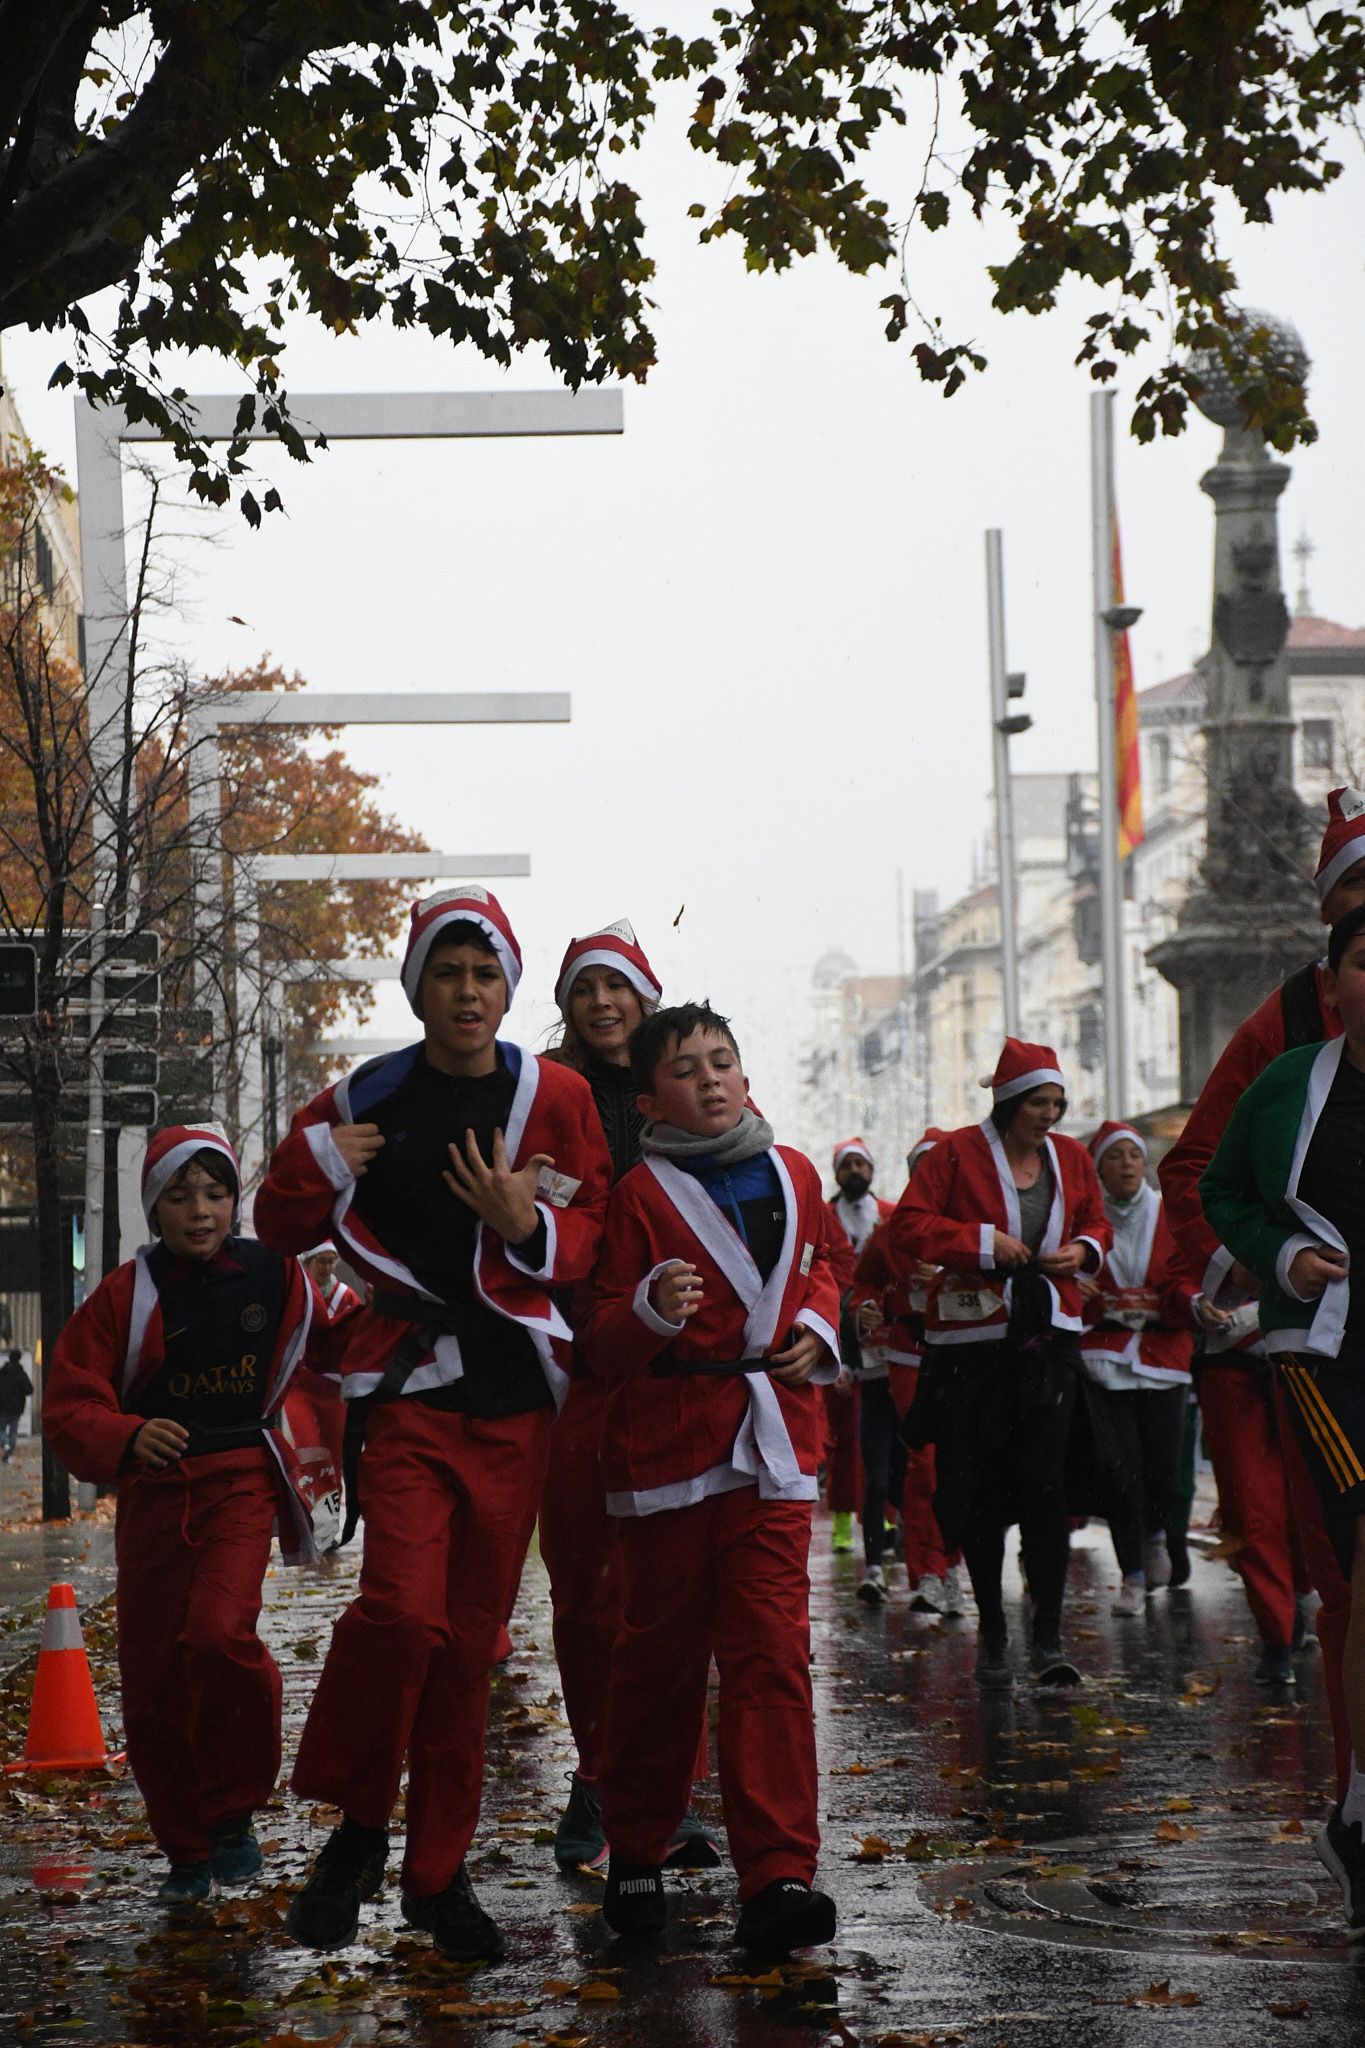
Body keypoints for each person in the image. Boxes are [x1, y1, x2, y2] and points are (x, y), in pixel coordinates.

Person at [253, 886, 612, 1963]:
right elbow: (276, 1221)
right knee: (402, 1617)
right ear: (417, 985)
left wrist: (529, 1223)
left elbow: (593, 1226)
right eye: (447, 972)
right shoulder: (362, 1093)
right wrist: (321, 1167)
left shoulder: (555, 1095)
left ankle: (435, 1874)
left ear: (508, 987)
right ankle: (360, 1829)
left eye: (486, 973)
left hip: (514, 1401)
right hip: (407, 1388)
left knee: (468, 1650)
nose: (468, 991)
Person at [587, 1001, 841, 1957]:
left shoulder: (797, 1173)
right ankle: (637, 1844)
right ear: (653, 1096)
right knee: (656, 1665)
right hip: (666, 1455)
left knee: (771, 1654)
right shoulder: (638, 1196)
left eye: (722, 1060)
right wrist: (651, 1308)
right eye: (687, 1068)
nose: (710, 1078)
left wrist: (815, 1332)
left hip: (773, 1449)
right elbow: (602, 1338)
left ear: (745, 1070)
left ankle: (779, 1872)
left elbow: (828, 1272)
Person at [43, 1124, 322, 1902]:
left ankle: (234, 1811)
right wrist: (129, 1434)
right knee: (155, 1676)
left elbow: (340, 1349)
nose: (201, 1210)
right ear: (152, 1206)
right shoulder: (124, 1297)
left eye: (217, 1192)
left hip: (239, 1482)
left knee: (218, 1633)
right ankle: (186, 1852)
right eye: (180, 1195)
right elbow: (72, 1402)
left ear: (237, 1198)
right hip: (154, 1500)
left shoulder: (277, 1277)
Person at [1161, 788, 1365, 1782]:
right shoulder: (1279, 1032)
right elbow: (1198, 1171)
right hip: (1324, 1352)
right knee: (1353, 1576)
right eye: (1359, 889)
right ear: (1330, 913)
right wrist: (1261, 1274)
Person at [538, 919, 721, 1875]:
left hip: (677, 1372)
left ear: (645, 998)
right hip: (571, 1370)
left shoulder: (690, 1085)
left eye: (617, 986)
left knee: (668, 1593)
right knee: (584, 1594)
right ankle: (601, 1777)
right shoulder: (538, 1094)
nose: (602, 1003)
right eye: (583, 989)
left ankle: (669, 1790)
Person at [1201, 898, 1365, 1936]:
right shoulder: (1287, 1086)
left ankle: (1351, 1807)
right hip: (1330, 1347)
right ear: (1336, 978)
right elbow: (1222, 1189)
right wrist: (1283, 1256)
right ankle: (1364, 1799)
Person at [884, 1039, 1111, 1690]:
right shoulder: (954, 1154)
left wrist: (1084, 1249)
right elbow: (909, 1227)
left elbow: (1097, 1222)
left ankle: (1046, 1633)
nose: (1049, 1115)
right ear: (1009, 1100)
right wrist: (981, 1243)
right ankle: (990, 1625)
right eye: (1038, 1102)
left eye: (1056, 1103)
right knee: (978, 1491)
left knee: (1046, 1486)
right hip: (971, 1349)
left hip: (1047, 1338)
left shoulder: (1068, 1157)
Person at [1079, 1122, 1205, 1618]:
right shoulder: (1085, 1224)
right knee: (1118, 1469)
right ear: (1099, 1169)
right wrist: (1078, 1286)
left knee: (1162, 1469)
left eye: (1135, 1155)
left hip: (1163, 1359)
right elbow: (1068, 1277)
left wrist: (1195, 1303)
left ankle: (1155, 1532)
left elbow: (1188, 1276)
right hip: (1106, 1358)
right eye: (1116, 1157)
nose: (1128, 1164)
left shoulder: (1170, 1215)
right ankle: (1130, 1572)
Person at [850, 1131, 967, 1616]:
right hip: (908, 1353)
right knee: (924, 1461)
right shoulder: (890, 1228)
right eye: (919, 1169)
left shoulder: (971, 1224)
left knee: (959, 1465)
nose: (928, 1178)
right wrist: (863, 1310)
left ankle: (955, 1564)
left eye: (936, 1168)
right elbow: (863, 1282)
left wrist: (950, 1275)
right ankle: (928, 1574)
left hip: (964, 1353)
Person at [825, 1139, 901, 1603]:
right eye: (847, 1164)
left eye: (861, 1163)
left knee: (892, 1448)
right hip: (835, 1338)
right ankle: (840, 1523)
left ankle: (889, 1521)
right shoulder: (823, 1217)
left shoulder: (891, 1215)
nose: (855, 1170)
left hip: (885, 1346)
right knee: (840, 1439)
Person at [0, 1345, 32, 1460]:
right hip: (17, 1408)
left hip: (2, 1407)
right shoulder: (21, 1374)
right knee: (13, 1431)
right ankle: (9, 1449)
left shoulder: (2, 1373)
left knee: (1, 1429)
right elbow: (30, 1390)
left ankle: (5, 1443)